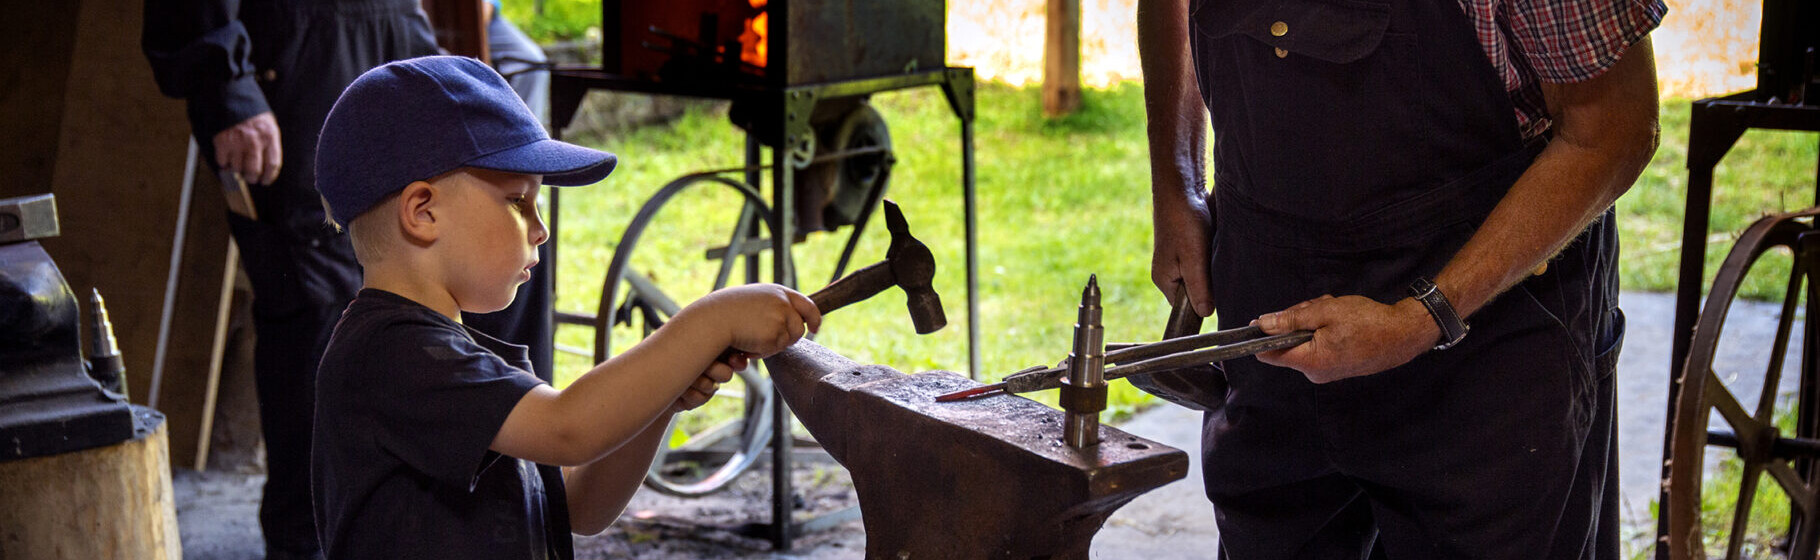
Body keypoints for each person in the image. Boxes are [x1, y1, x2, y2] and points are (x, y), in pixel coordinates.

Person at [1136, 0, 1664, 556]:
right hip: (1269, 302)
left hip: (1487, 339)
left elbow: (1612, 129)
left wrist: (1423, 317)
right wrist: (1176, 183)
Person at [309, 55, 821, 558]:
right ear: (423, 212)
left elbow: (580, 508)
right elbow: (569, 429)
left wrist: (661, 402)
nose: (541, 229)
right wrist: (714, 318)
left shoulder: (450, 354)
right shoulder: (391, 356)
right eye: (518, 201)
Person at [142, 2, 442, 557]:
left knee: (412, 306)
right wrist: (227, 88)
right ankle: (307, 543)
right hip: (299, 65)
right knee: (316, 316)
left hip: (393, 47)